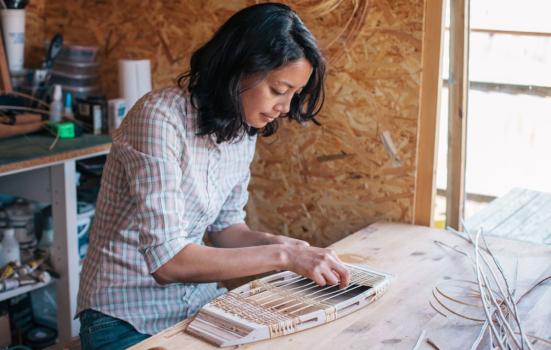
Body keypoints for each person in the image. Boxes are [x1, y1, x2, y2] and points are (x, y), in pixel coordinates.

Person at [76, 3, 350, 349]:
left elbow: (225, 230)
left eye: (294, 94)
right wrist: (285, 258)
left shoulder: (242, 128)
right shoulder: (158, 118)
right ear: (239, 69)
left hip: (196, 303)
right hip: (122, 316)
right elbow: (168, 262)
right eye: (279, 90)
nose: (284, 107)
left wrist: (287, 245)